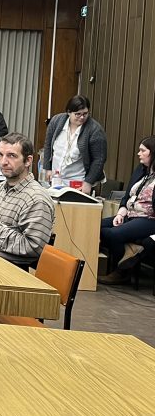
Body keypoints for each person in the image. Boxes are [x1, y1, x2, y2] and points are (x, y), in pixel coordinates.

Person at [0, 133, 55, 267]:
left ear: (28, 161)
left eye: (11, 156)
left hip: (9, 269)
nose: (3, 162)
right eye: (0, 155)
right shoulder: (0, 188)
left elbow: (33, 247)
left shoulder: (36, 199)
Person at [97, 136, 155, 285]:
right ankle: (130, 250)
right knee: (97, 226)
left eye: (143, 151)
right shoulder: (141, 170)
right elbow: (128, 194)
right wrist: (121, 213)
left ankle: (122, 272)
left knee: (114, 234)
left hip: (149, 218)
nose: (138, 153)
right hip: (130, 213)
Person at [42, 95, 107, 195]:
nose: (82, 117)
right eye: (78, 114)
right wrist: (48, 168)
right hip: (56, 178)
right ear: (69, 112)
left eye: (85, 114)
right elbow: (47, 145)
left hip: (78, 181)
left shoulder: (95, 130)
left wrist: (88, 182)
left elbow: (99, 159)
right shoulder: (56, 121)